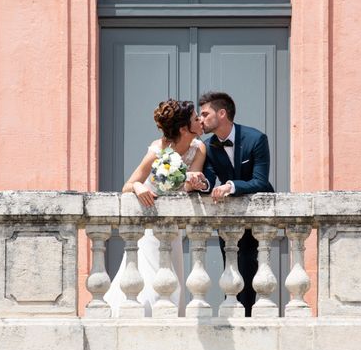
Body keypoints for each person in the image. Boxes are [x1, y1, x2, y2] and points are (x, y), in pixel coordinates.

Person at [104, 99, 207, 316]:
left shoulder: (199, 149)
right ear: (183, 128)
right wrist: (140, 187)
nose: (201, 121)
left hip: (174, 226)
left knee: (173, 278)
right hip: (150, 225)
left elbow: (189, 186)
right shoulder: (157, 150)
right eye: (196, 119)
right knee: (148, 280)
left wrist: (193, 181)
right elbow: (127, 186)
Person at [197, 91, 274, 316]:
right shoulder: (208, 146)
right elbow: (209, 182)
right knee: (230, 269)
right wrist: (200, 183)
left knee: (250, 268)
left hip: (256, 217)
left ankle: (248, 319)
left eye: (205, 113)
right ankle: (231, 317)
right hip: (228, 218)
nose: (200, 119)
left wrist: (230, 186)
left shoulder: (256, 139)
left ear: (222, 113)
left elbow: (260, 181)